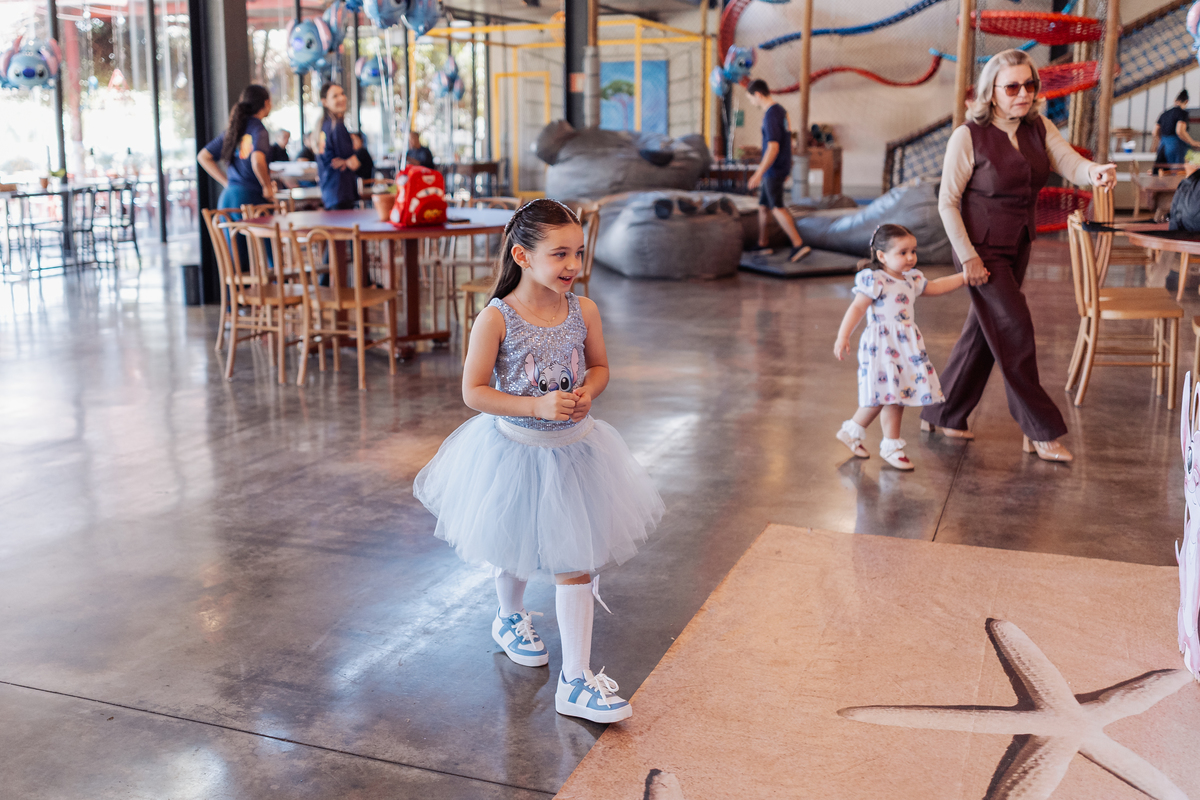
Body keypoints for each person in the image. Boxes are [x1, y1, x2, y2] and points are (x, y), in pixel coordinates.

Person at [413, 199, 664, 724]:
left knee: (577, 563)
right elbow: (473, 392)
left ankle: (575, 680)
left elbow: (599, 367)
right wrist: (535, 406)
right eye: (560, 254)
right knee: (515, 541)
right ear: (523, 256)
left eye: (578, 252)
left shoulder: (584, 310)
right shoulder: (497, 317)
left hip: (578, 448)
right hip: (516, 450)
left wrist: (589, 392)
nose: (573, 264)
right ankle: (509, 618)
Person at [919, 49, 1115, 463]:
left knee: (984, 333)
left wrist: (1093, 172)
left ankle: (943, 412)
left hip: (1018, 243)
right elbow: (947, 203)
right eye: (1012, 86)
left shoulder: (1037, 127)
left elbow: (1068, 162)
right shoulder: (967, 136)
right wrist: (968, 256)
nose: (1023, 93)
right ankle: (1039, 430)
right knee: (1015, 330)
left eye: (1030, 85)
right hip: (980, 249)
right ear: (991, 92)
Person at [833, 225, 967, 470]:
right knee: (888, 396)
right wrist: (843, 336)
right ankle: (890, 445)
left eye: (913, 251)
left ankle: (854, 431)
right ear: (882, 256)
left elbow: (936, 286)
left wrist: (963, 278)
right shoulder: (874, 279)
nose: (910, 257)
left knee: (893, 395)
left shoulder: (912, 279)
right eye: (902, 252)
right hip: (881, 344)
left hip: (905, 345)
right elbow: (857, 308)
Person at [744, 79, 810, 263]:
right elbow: (787, 142)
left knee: (776, 206)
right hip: (778, 167)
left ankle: (798, 244)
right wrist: (787, 165)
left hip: (772, 169)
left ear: (757, 94)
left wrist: (758, 173)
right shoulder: (781, 112)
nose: (751, 102)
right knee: (763, 206)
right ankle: (763, 243)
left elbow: (773, 147)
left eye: (750, 98)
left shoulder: (771, 115)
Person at [196, 84, 276, 211]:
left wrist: (227, 183)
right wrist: (267, 187)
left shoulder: (234, 130)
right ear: (266, 103)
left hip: (227, 200)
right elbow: (257, 161)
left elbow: (203, 157)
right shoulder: (259, 130)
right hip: (249, 201)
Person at [315, 83, 361, 210]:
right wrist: (350, 159)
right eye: (335, 96)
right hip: (341, 192)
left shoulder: (323, 126)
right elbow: (354, 163)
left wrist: (347, 160)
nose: (341, 98)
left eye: (342, 94)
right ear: (324, 102)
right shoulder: (337, 126)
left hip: (329, 192)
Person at [1154, 90, 1200, 168]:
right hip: (1175, 146)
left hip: (1162, 146)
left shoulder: (1164, 113)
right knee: (1177, 172)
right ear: (1186, 101)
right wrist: (1192, 142)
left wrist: (1161, 141)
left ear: (1175, 100)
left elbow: (1155, 132)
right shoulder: (1182, 113)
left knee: (1163, 171)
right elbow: (1179, 131)